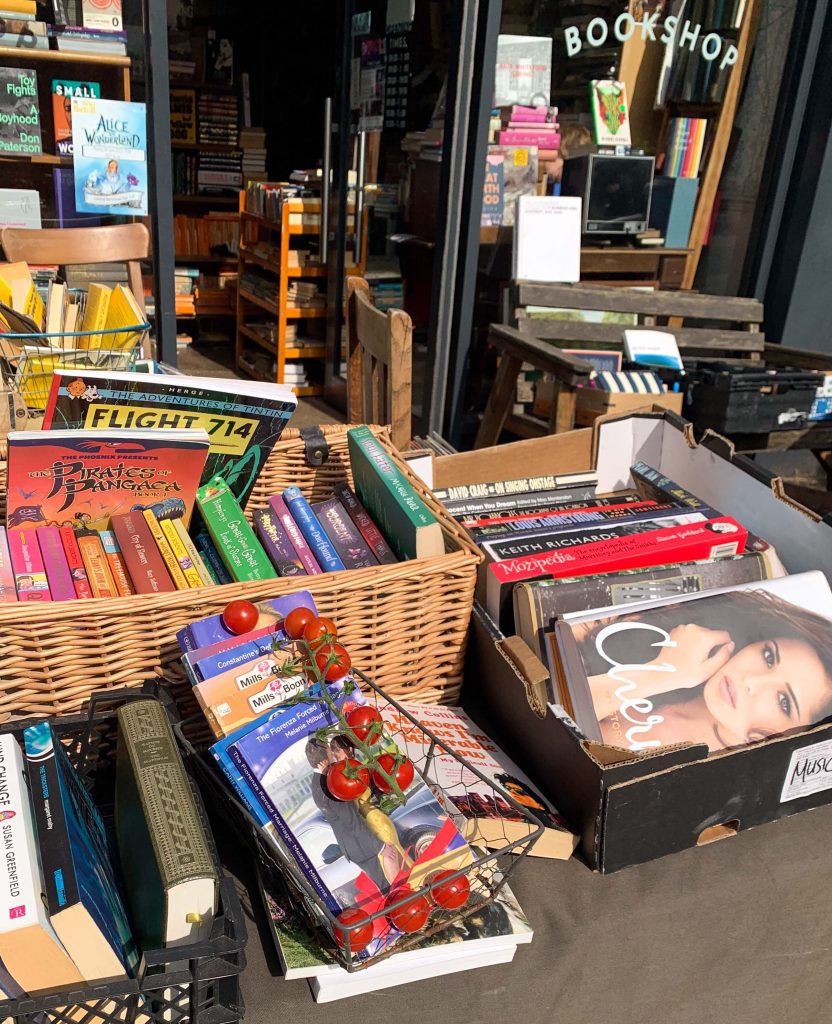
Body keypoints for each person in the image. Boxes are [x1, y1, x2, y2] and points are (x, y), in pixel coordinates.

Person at [578, 589, 832, 753]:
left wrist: (660, 675)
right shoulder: (666, 634)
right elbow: (550, 705)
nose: (752, 681)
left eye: (784, 701)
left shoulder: (720, 787)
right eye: (768, 656)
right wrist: (664, 673)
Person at [305, 736, 387, 890]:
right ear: (325, 756)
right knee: (387, 885)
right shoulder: (323, 786)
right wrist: (379, 846)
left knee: (389, 882)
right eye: (331, 752)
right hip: (362, 845)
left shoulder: (324, 779)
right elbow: (349, 820)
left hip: (362, 842)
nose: (334, 755)